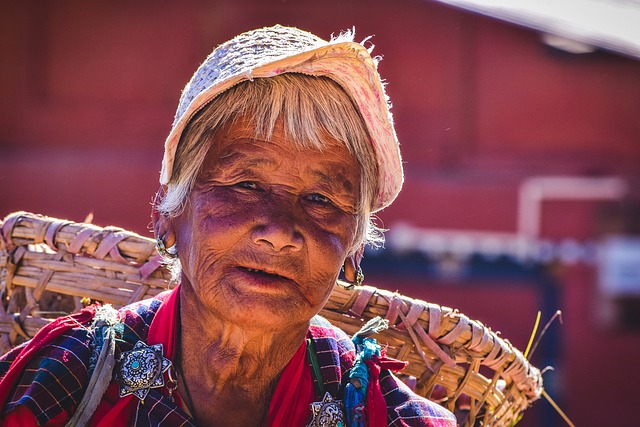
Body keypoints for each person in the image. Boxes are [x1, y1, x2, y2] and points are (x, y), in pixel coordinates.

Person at [0, 25, 457, 427]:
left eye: (320, 199)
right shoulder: (66, 380)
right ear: (170, 217)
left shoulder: (387, 416)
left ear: (353, 250)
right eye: (246, 184)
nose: (279, 231)